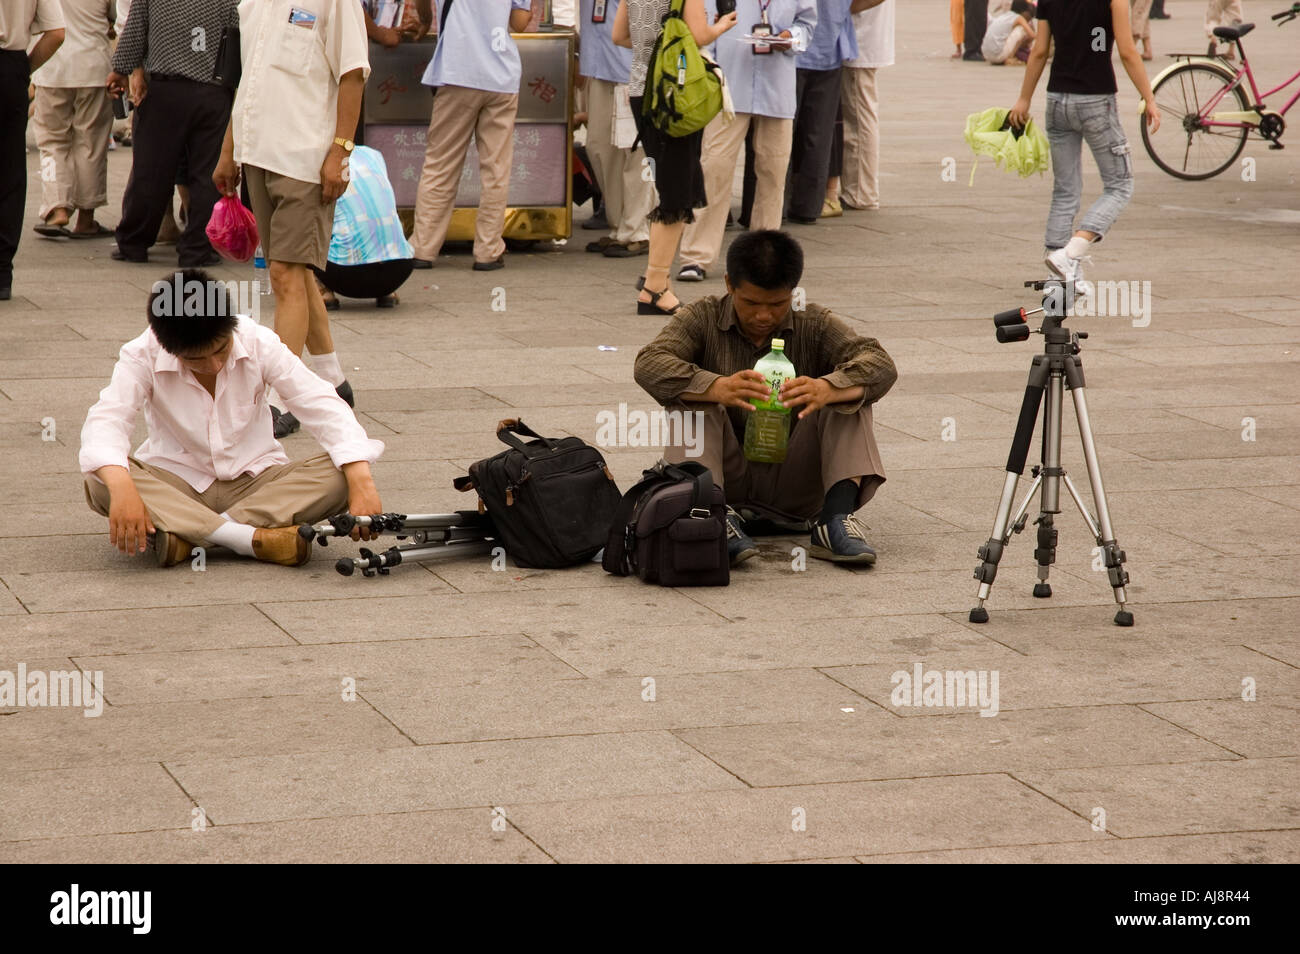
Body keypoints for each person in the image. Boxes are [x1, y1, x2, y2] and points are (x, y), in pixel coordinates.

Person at [79, 270, 385, 568]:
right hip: (176, 485)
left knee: (342, 474)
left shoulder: (257, 340)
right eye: (196, 360)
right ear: (167, 347)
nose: (213, 365)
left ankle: (191, 537)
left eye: (221, 350)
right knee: (100, 478)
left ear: (231, 326)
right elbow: (107, 420)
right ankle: (250, 539)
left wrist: (362, 481)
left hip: (257, 483)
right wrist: (121, 488)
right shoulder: (140, 353)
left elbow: (320, 403)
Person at [634, 230, 896, 565]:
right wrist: (716, 386)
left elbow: (879, 362)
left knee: (846, 395)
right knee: (692, 399)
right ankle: (712, 516)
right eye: (751, 303)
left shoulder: (813, 322)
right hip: (724, 481)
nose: (764, 316)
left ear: (792, 292)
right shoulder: (702, 316)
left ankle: (834, 522)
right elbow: (649, 363)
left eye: (777, 304)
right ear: (730, 284)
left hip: (796, 483)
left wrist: (829, 387)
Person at [213, 0, 370, 439]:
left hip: (306, 157)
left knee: (284, 273)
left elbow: (353, 73)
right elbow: (249, 81)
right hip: (259, 153)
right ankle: (334, 381)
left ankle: (282, 399)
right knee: (294, 274)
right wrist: (230, 149)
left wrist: (340, 150)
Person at [1009, 0, 1160, 286]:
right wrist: (1148, 97)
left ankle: (1057, 277)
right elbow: (1127, 52)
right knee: (1120, 184)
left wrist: (1024, 99)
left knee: (1065, 191)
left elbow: (1040, 51)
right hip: (1095, 99)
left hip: (1057, 99)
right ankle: (1074, 250)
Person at [677, 0, 817, 282]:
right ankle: (696, 256)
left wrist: (789, 38)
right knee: (714, 169)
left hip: (777, 87)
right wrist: (708, 72)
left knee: (773, 174)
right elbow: (703, 29)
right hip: (728, 85)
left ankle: (764, 258)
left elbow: (807, 24)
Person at [614, 0, 737, 315]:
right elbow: (698, 35)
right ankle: (654, 288)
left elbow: (619, 36)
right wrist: (721, 26)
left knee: (670, 185)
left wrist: (653, 48)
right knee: (676, 195)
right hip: (674, 96)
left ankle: (659, 278)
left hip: (642, 91)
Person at [107, 0, 235, 267]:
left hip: (166, 90)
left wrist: (120, 70)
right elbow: (238, 31)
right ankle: (198, 247)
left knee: (151, 170)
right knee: (206, 173)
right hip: (213, 91)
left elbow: (135, 30)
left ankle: (134, 241)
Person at [407, 0, 532, 272]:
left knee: (440, 163)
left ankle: (423, 248)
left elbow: (422, 5)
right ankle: (488, 251)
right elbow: (520, 22)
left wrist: (427, 19)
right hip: (501, 77)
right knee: (496, 168)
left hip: (457, 72)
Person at [30, 0, 113, 240]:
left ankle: (57, 208)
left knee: (51, 142)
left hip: (51, 66)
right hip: (93, 66)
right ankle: (86, 219)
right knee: (91, 145)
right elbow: (117, 16)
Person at [0, 0, 64, 302]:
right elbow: (56, 32)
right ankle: (1, 271)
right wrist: (22, 69)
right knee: (10, 170)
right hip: (10, 67)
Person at [580, 0, 653, 260]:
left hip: (631, 69)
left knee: (634, 153)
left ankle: (637, 230)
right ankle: (618, 225)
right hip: (598, 65)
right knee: (599, 148)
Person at [313, 145, 415, 312]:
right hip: (400, 268)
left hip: (345, 276)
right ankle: (387, 293)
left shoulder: (316, 157)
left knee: (301, 222)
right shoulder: (373, 154)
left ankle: (323, 291)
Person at [785, 0, 859, 226]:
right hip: (830, 43)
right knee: (819, 135)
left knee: (781, 130)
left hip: (791, 46)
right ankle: (809, 206)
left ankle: (775, 203)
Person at [838, 0, 892, 210]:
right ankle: (860, 189)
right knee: (858, 117)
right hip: (860, 39)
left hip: (860, 40)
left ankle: (861, 192)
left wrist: (840, 7)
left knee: (858, 120)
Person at [982, 0, 1035, 65]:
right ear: (1024, 11)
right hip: (998, 55)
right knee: (1021, 30)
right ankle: (1010, 58)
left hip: (986, 54)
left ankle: (1003, 57)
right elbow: (1032, 35)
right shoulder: (1019, 18)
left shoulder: (1004, 16)